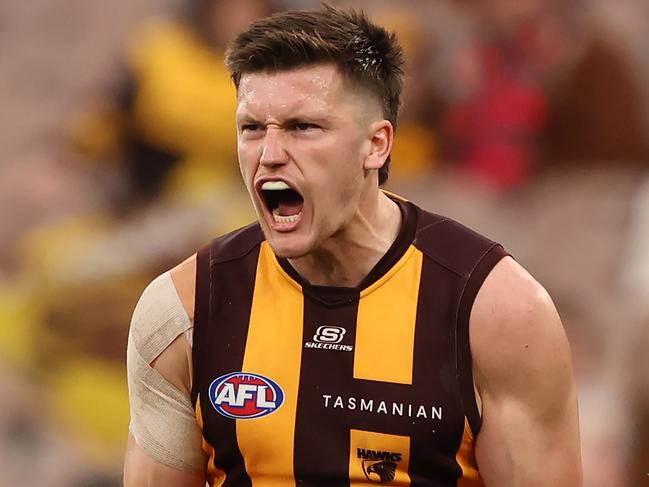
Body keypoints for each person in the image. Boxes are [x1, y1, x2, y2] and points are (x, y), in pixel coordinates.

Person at [123, 5, 582, 486]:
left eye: (304, 127)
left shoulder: (499, 312)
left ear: (377, 145)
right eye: (252, 128)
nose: (271, 154)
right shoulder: (182, 313)